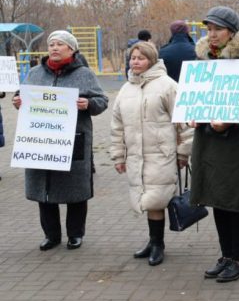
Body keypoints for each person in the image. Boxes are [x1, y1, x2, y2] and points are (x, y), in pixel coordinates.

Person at [12, 30, 108, 251]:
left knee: (75, 191)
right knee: (44, 189)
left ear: (71, 49)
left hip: (72, 139)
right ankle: (51, 235)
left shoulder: (83, 73)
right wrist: (18, 101)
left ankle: (75, 234)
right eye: (51, 44)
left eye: (60, 44)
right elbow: (22, 95)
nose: (54, 48)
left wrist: (88, 104)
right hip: (39, 141)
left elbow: (102, 100)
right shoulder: (35, 72)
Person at [189, 6, 239, 283]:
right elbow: (194, 97)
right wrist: (192, 115)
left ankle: (238, 260)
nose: (211, 35)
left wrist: (231, 121)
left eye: (217, 29)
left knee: (233, 201)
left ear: (232, 32)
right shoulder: (203, 61)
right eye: (208, 29)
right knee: (217, 200)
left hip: (233, 144)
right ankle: (225, 255)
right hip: (206, 141)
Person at [110, 41, 193, 266]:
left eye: (141, 57)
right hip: (136, 156)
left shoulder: (167, 85)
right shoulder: (126, 89)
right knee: (147, 200)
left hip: (162, 154)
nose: (135, 62)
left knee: (155, 200)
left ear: (152, 60)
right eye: (133, 58)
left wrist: (183, 152)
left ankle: (158, 244)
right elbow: (117, 125)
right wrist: (118, 155)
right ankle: (153, 240)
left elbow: (183, 121)